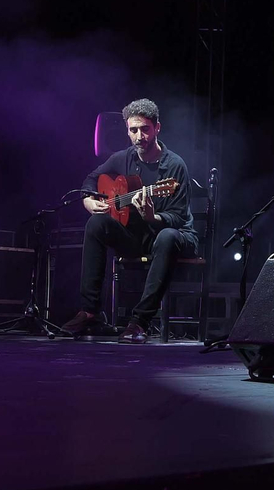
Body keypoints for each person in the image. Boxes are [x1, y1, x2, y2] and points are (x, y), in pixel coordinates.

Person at [60, 99, 198, 343]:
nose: (139, 136)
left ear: (157, 128)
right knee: (96, 223)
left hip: (173, 235)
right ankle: (90, 311)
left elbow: (177, 218)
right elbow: (91, 179)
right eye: (133, 130)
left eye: (145, 129)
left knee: (166, 237)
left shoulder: (175, 166)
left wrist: (153, 217)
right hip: (137, 236)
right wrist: (88, 201)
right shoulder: (123, 158)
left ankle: (139, 322)